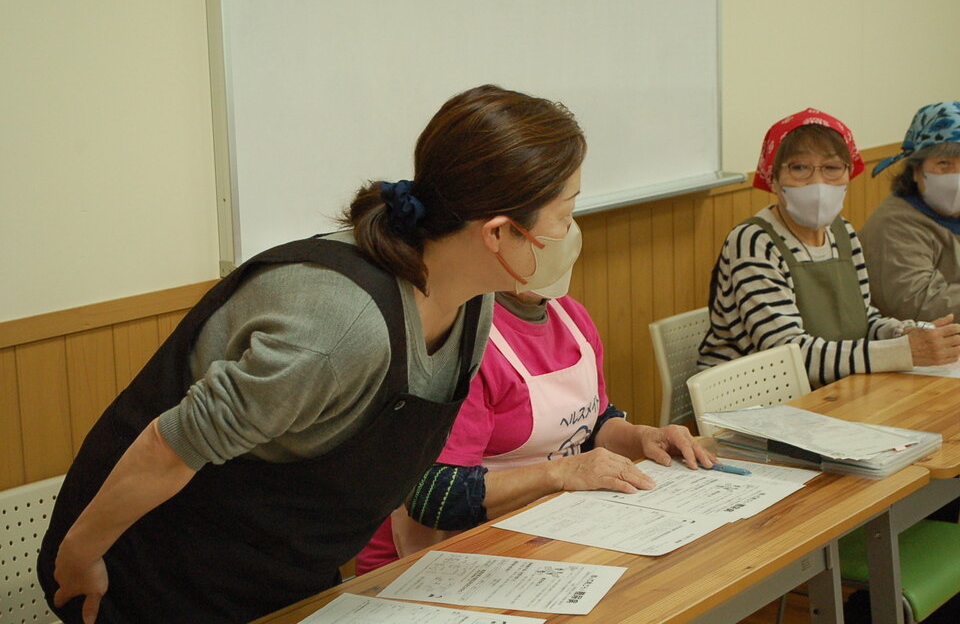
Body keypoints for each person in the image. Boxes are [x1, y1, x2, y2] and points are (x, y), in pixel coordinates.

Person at [37, 84, 588, 624]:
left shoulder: (472, 301)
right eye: (565, 215)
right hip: (153, 568)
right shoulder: (342, 329)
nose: (570, 231)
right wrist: (79, 553)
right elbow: (169, 445)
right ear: (498, 233)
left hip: (280, 567)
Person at [355, 289, 716, 574]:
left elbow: (592, 422)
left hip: (543, 531)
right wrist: (562, 473)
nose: (567, 237)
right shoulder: (465, 338)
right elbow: (439, 495)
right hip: (437, 557)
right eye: (558, 225)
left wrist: (641, 437)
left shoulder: (571, 315)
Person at [699, 108, 960, 388]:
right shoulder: (754, 242)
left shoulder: (842, 232)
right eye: (799, 168)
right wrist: (901, 352)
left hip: (832, 390)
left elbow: (863, 320)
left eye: (832, 168)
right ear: (772, 178)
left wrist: (905, 333)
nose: (818, 183)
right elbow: (787, 356)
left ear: (848, 175)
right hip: (754, 399)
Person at [859, 102, 960, 322]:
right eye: (944, 164)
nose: (956, 176)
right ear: (916, 170)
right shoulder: (893, 224)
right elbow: (918, 303)